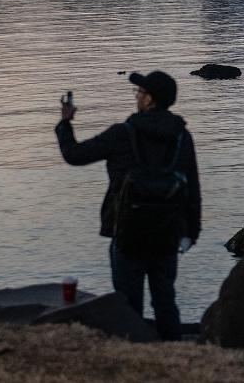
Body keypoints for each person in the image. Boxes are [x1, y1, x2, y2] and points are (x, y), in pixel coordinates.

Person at [55, 71, 201, 340]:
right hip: (168, 235)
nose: (136, 97)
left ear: (150, 100)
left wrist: (65, 122)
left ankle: (133, 356)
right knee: (165, 301)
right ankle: (174, 355)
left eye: (139, 93)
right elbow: (193, 190)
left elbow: (74, 155)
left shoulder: (122, 134)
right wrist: (191, 233)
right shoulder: (182, 137)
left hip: (126, 234)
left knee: (127, 304)